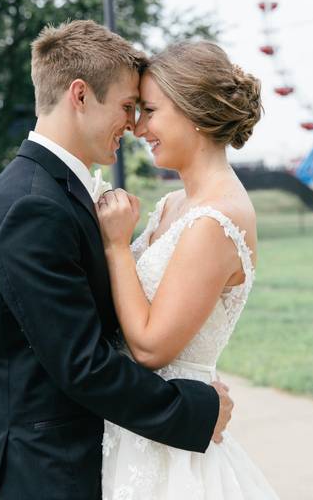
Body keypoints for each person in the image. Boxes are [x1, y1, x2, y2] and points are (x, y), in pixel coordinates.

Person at [0, 20, 233, 500]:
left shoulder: (50, 192)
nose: (133, 125)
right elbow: (82, 363)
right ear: (80, 95)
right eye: (128, 107)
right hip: (41, 476)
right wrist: (194, 408)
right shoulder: (32, 206)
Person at [98, 41, 280, 499]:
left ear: (193, 111)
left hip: (171, 446)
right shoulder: (173, 205)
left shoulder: (215, 220)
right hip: (136, 426)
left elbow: (151, 347)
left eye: (151, 111)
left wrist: (118, 245)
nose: (138, 127)